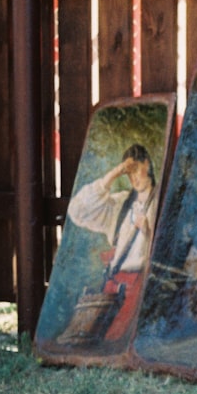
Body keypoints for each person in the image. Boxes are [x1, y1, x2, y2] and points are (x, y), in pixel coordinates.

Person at [65, 144, 158, 342]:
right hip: (114, 287)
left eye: (136, 169)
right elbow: (78, 211)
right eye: (128, 173)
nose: (133, 178)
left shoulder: (161, 201)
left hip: (143, 288)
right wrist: (115, 173)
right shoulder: (121, 204)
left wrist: (148, 231)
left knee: (117, 340)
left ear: (147, 164)